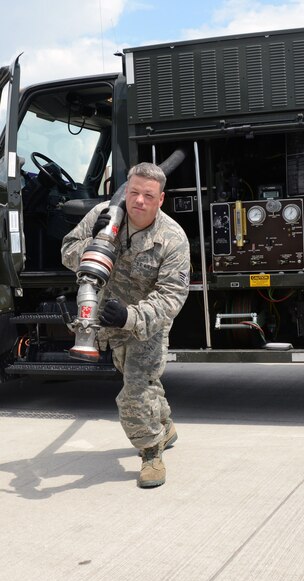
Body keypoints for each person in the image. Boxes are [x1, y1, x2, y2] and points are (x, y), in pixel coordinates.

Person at [61, 162, 190, 488]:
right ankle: (165, 424)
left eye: (148, 195)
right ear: (126, 191)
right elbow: (67, 251)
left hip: (148, 324)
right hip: (108, 319)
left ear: (161, 199)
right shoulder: (104, 214)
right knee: (143, 380)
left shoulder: (172, 238)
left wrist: (131, 317)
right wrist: (93, 240)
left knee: (134, 389)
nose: (139, 201)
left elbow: (171, 298)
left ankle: (151, 452)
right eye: (134, 192)